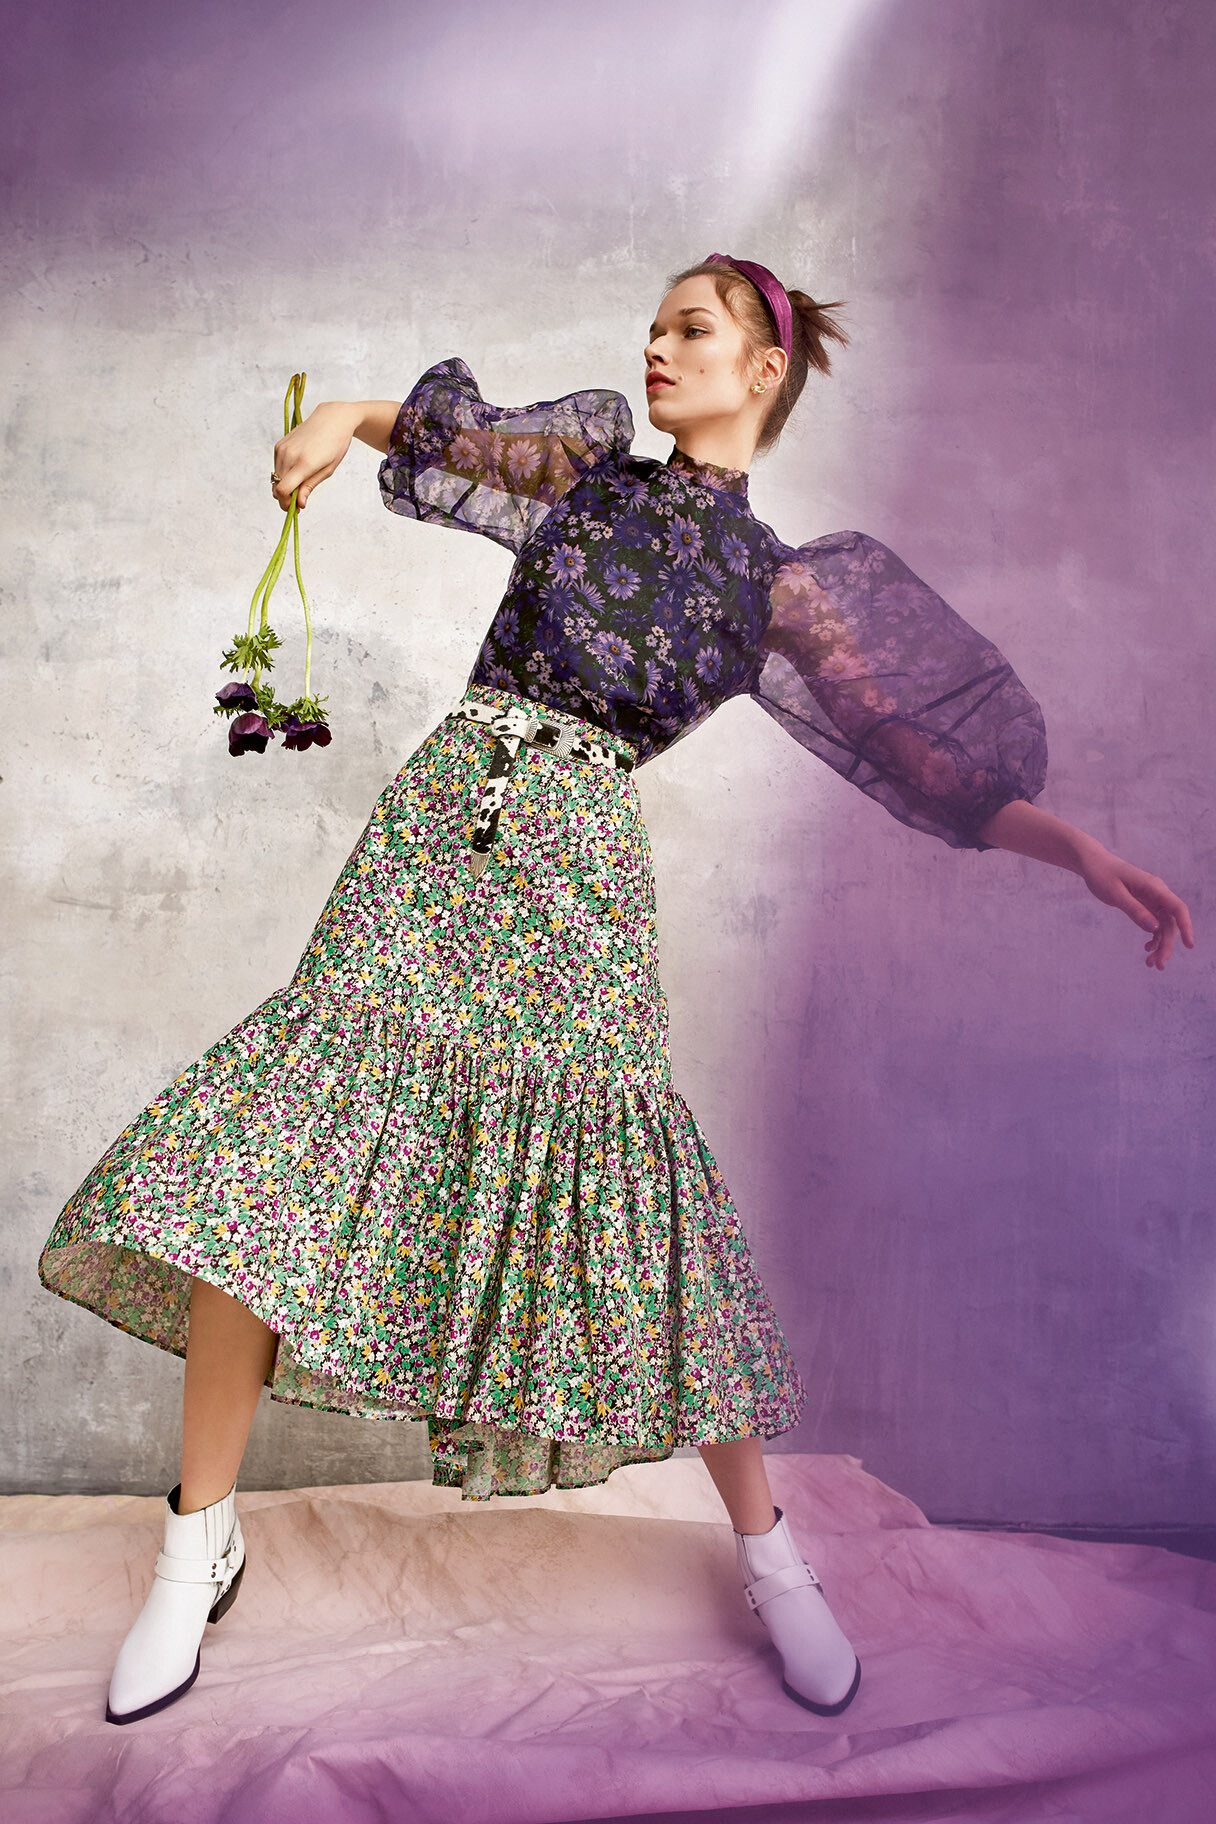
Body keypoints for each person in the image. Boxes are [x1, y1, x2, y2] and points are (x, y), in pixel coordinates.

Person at [38, 254, 1194, 1730]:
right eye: (652, 327)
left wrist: (1078, 849)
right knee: (286, 1147)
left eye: (689, 330)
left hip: (579, 872)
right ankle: (196, 1542)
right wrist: (337, 415)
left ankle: (772, 1560)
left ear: (763, 368)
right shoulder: (583, 476)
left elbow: (922, 761)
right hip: (447, 825)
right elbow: (433, 434)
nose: (656, 348)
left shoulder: (780, 588)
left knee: (634, 1200)